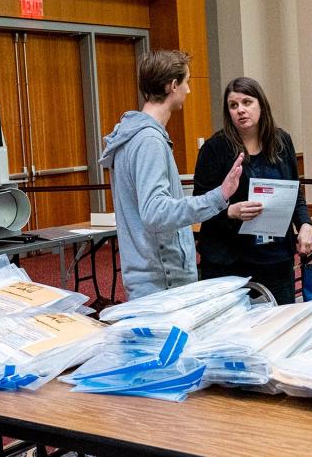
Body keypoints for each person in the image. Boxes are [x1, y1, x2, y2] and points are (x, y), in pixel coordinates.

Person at [99, 50, 244, 300]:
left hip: (151, 280)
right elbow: (155, 212)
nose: (188, 90)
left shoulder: (134, 136)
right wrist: (219, 196)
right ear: (173, 85)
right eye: (186, 82)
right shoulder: (149, 141)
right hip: (163, 284)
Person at [193, 77, 312, 304]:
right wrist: (230, 212)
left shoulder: (281, 141)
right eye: (233, 105)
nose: (240, 110)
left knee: (280, 326)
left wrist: (305, 223)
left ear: (261, 105)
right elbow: (200, 204)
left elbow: (294, 192)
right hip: (229, 259)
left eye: (247, 102)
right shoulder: (215, 148)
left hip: (275, 257)